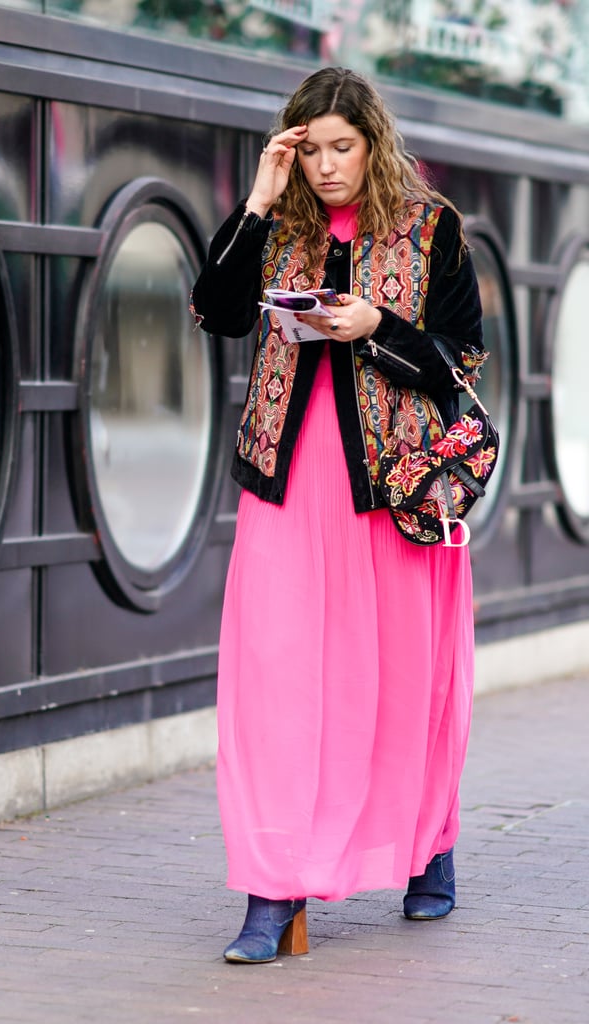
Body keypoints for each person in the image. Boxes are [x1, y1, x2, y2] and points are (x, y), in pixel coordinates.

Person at [191, 66, 487, 965]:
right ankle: (271, 890)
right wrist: (255, 199)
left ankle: (426, 845)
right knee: (275, 681)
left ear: (371, 142)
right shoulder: (276, 222)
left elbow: (462, 360)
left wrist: (376, 329)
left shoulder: (431, 228)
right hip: (287, 483)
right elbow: (215, 308)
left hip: (394, 490)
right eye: (308, 149)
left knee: (405, 678)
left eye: (340, 148)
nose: (325, 167)